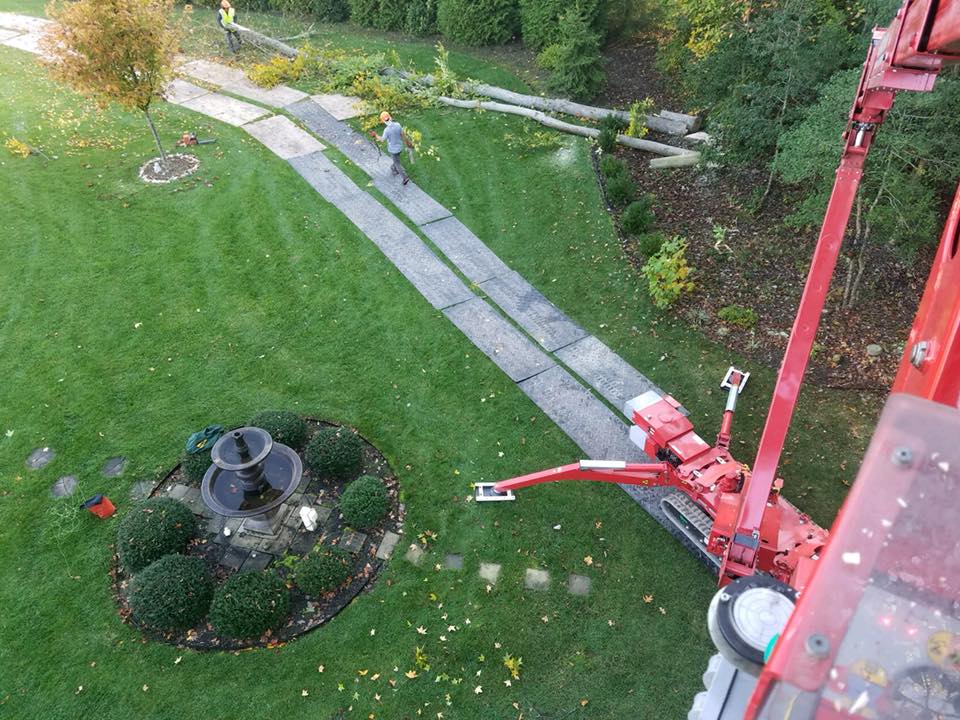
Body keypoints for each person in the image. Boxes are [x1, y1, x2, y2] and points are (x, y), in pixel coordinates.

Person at [371, 111, 412, 186]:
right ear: (390, 117)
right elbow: (403, 135)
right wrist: (408, 143)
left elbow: (382, 139)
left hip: (393, 150)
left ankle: (404, 177)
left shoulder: (386, 130)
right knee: (396, 159)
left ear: (383, 121)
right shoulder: (398, 125)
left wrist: (375, 135)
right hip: (400, 148)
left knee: (397, 163)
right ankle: (393, 168)